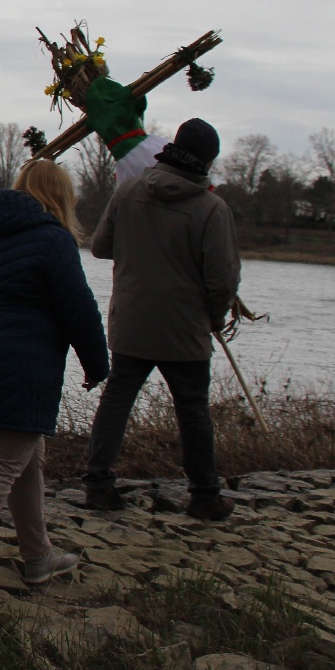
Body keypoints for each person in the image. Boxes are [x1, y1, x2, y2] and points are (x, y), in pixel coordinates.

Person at [0, 160, 109, 595]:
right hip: (24, 364)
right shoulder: (53, 240)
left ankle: (38, 556)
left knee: (27, 456)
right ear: (61, 197)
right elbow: (79, 308)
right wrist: (97, 364)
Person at [81, 119, 240, 520]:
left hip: (132, 321)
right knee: (193, 410)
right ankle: (204, 496)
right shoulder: (213, 209)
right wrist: (215, 317)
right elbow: (222, 279)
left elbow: (99, 246)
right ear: (208, 161)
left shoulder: (129, 190)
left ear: (171, 148)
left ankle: (98, 485)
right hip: (185, 329)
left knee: (117, 401)